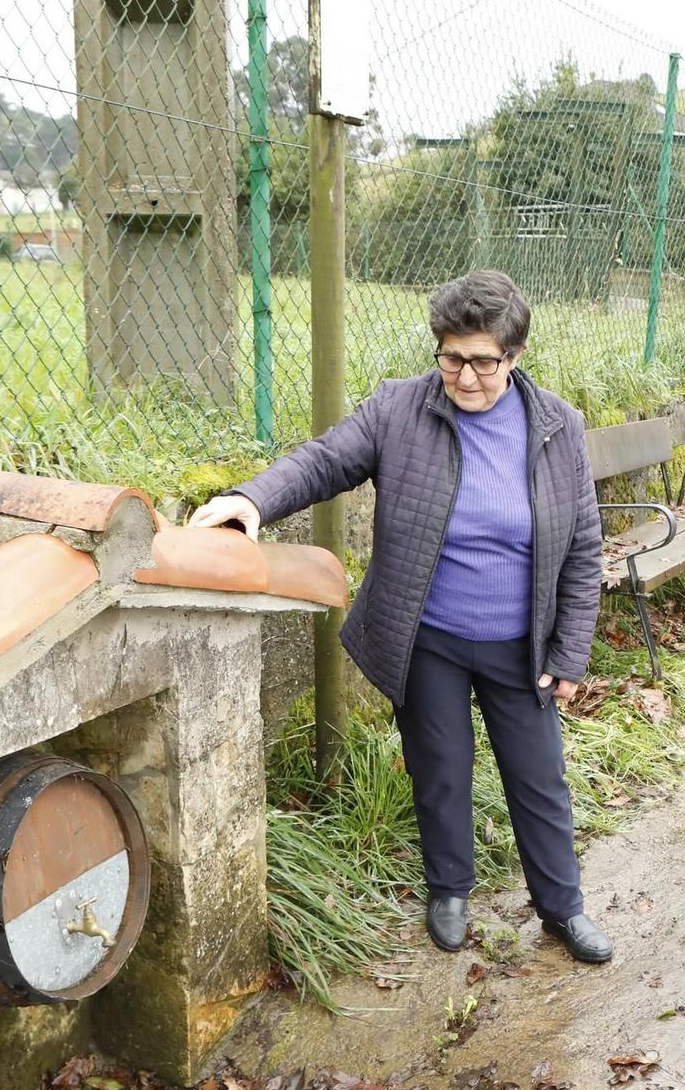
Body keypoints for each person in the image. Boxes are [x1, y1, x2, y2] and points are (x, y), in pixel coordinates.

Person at [189, 269, 612, 964]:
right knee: (439, 768)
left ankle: (562, 907)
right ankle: (448, 890)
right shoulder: (399, 410)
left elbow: (582, 542)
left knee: (538, 778)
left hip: (521, 643)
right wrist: (252, 501)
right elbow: (325, 460)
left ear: (515, 355)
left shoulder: (556, 426)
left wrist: (570, 649)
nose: (466, 377)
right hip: (430, 639)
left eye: (483, 361)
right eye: (451, 358)